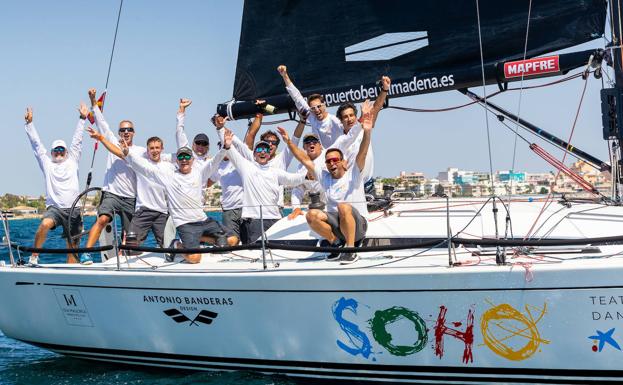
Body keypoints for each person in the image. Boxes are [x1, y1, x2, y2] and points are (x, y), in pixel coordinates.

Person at [280, 106, 374, 265]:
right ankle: (335, 243)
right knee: (312, 215)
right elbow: (305, 160)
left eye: (335, 160)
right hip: (338, 225)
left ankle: (350, 250)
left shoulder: (354, 173)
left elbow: (363, 152)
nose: (332, 163)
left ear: (344, 163)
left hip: (358, 226)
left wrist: (367, 131)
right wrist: (289, 142)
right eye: (329, 161)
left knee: (343, 207)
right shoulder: (324, 177)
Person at [123, 143, 237, 263]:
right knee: (195, 259)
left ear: (192, 160)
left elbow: (214, 162)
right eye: (181, 157)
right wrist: (128, 154)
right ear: (176, 161)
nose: (184, 160)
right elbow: (145, 169)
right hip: (185, 224)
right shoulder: (169, 177)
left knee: (233, 240)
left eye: (187, 157)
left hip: (203, 221)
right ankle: (175, 244)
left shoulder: (199, 173)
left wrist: (225, 148)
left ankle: (201, 237)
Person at [82, 88, 144, 264]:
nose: (126, 132)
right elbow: (101, 121)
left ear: (134, 132)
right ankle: (86, 253)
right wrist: (93, 100)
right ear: (119, 132)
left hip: (131, 197)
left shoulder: (140, 151)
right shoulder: (111, 140)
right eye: (123, 130)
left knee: (130, 235)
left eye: (129, 129)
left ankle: (128, 258)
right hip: (111, 193)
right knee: (102, 219)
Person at [24, 104, 86, 265]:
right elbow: (36, 145)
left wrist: (82, 119)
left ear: (66, 152)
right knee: (45, 224)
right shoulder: (47, 163)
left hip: (74, 209)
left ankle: (71, 276)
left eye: (61, 150)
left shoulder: (73, 160)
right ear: (51, 153)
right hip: (55, 209)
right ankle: (34, 256)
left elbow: (77, 140)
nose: (59, 152)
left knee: (72, 249)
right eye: (56, 150)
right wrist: (29, 124)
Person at [220, 128, 306, 244]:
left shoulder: (276, 171)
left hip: (275, 219)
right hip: (255, 221)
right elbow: (231, 151)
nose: (262, 152)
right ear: (254, 154)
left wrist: (308, 175)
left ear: (269, 153)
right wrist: (223, 135)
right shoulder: (246, 167)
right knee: (256, 253)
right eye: (259, 149)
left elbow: (293, 179)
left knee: (276, 251)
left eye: (265, 149)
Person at [87, 129, 171, 247]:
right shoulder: (140, 163)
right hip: (143, 211)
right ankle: (88, 252)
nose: (155, 150)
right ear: (147, 150)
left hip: (162, 212)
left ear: (162, 149)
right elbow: (121, 152)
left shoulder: (169, 166)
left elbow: (184, 158)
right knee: (131, 247)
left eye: (157, 148)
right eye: (152, 148)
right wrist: (101, 138)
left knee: (167, 246)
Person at [208, 141, 244, 239]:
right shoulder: (218, 166)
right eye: (222, 147)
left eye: (227, 146)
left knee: (248, 240)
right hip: (229, 209)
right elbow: (207, 183)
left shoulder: (240, 162)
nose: (225, 149)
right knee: (232, 240)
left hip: (246, 208)